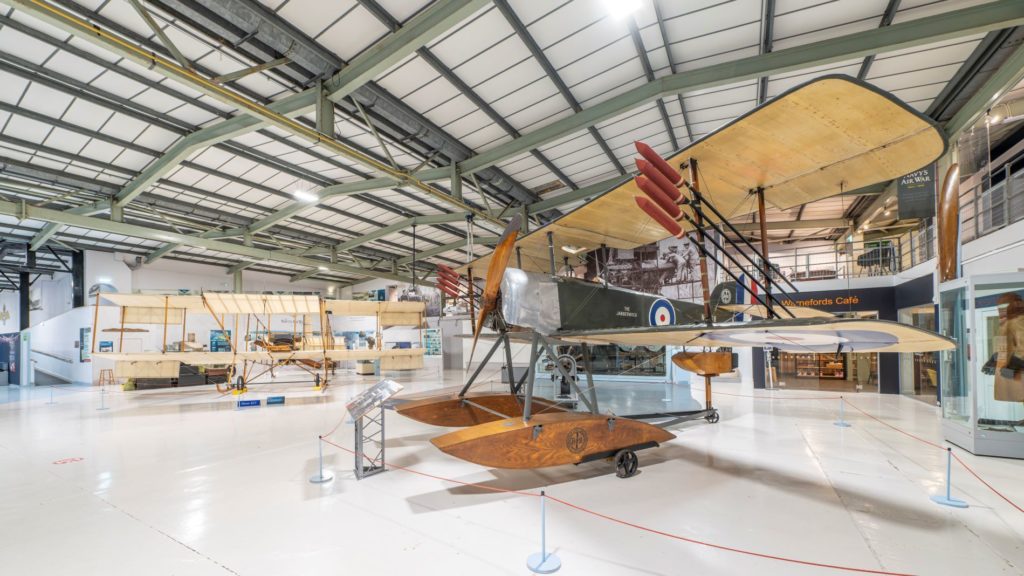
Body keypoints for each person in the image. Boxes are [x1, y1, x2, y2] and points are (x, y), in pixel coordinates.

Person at [984, 292, 1024, 401]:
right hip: (1011, 372)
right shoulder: (1008, 322)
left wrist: (1014, 364)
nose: (1001, 310)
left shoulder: (1019, 321)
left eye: (1004, 306)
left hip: (1017, 373)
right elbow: (1006, 346)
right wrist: (995, 358)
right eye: (999, 307)